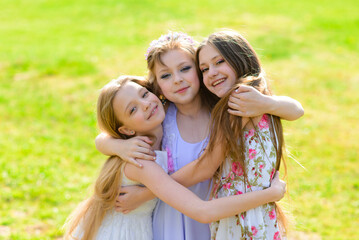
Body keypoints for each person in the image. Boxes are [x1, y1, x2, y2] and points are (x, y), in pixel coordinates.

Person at [95, 32, 304, 240]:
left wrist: (145, 194)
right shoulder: (159, 116)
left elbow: (296, 110)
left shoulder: (222, 109)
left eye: (186, 68)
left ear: (198, 71)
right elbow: (107, 136)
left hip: (218, 214)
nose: (178, 80)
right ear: (156, 86)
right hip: (173, 219)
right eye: (166, 75)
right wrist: (117, 147)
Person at [63, 75, 287, 240]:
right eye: (132, 110)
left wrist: (111, 143)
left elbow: (102, 139)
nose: (146, 104)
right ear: (127, 130)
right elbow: (202, 211)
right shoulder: (140, 159)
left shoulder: (148, 134)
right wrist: (270, 194)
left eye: (144, 94)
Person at [194, 29, 304, 239]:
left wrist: (153, 186)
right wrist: (267, 103)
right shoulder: (254, 96)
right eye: (204, 69)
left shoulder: (240, 102)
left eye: (219, 62)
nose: (212, 72)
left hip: (241, 220)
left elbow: (205, 167)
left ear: (240, 59)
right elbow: (297, 110)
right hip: (256, 214)